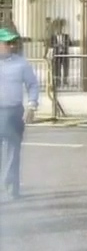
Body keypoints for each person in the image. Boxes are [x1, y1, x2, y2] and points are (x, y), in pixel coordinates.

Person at [0, 27, 39, 201]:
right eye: (8, 43)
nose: (12, 46)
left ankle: (11, 187)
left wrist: (32, 105)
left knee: (13, 151)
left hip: (13, 112)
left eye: (13, 42)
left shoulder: (21, 64)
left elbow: (33, 85)